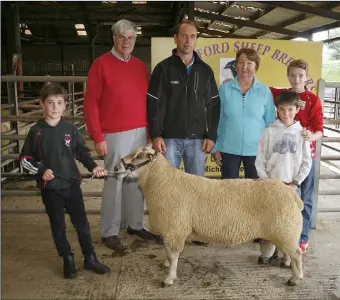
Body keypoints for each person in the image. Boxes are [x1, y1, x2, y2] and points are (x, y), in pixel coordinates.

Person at [19, 83, 110, 279]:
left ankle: (90, 257)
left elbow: (81, 152)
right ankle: (67, 258)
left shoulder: (71, 129)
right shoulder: (37, 131)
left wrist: (94, 167)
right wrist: (41, 170)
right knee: (58, 225)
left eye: (59, 103)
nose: (54, 107)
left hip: (71, 185)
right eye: (50, 103)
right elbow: (25, 159)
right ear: (43, 105)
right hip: (50, 188)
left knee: (82, 224)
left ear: (65, 106)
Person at [83, 19, 157, 251]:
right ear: (113, 38)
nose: (126, 42)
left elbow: (146, 100)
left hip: (139, 132)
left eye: (131, 37)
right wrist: (98, 136)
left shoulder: (139, 66)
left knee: (135, 182)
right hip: (114, 133)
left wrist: (149, 131)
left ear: (136, 39)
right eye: (122, 37)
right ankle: (110, 230)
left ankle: (135, 223)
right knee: (114, 181)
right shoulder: (100, 65)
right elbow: (90, 103)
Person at [147, 19, 220, 178]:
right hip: (168, 140)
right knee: (167, 189)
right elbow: (153, 103)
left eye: (192, 36)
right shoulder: (162, 68)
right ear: (175, 38)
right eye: (184, 36)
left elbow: (214, 104)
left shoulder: (205, 70)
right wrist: (156, 135)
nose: (188, 41)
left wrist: (212, 136)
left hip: (198, 140)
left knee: (195, 192)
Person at [270, 59, 324, 253]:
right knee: (283, 197)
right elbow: (260, 87)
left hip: (305, 157)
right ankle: (281, 236)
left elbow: (320, 130)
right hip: (285, 159)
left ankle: (302, 238)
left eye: (300, 75)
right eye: (292, 75)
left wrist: (311, 136)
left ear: (306, 77)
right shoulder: (281, 95)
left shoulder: (313, 100)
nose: (296, 79)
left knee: (306, 198)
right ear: (288, 76)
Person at [254, 90, 312, 264]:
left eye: (290, 109)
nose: (286, 114)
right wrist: (267, 181)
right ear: (276, 110)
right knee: (269, 219)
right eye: (282, 109)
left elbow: (307, 162)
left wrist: (296, 182)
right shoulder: (268, 132)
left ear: (296, 110)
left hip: (292, 186)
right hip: (272, 185)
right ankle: (268, 252)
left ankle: (287, 255)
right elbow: (260, 160)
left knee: (288, 221)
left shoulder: (302, 134)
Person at [212, 48, 276, 180]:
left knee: (255, 193)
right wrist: (215, 146)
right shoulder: (224, 89)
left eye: (249, 63)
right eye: (241, 62)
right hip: (228, 149)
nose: (244, 67)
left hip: (257, 151)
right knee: (229, 192)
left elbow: (270, 123)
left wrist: (270, 150)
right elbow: (216, 119)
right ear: (236, 65)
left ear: (256, 67)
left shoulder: (264, 91)